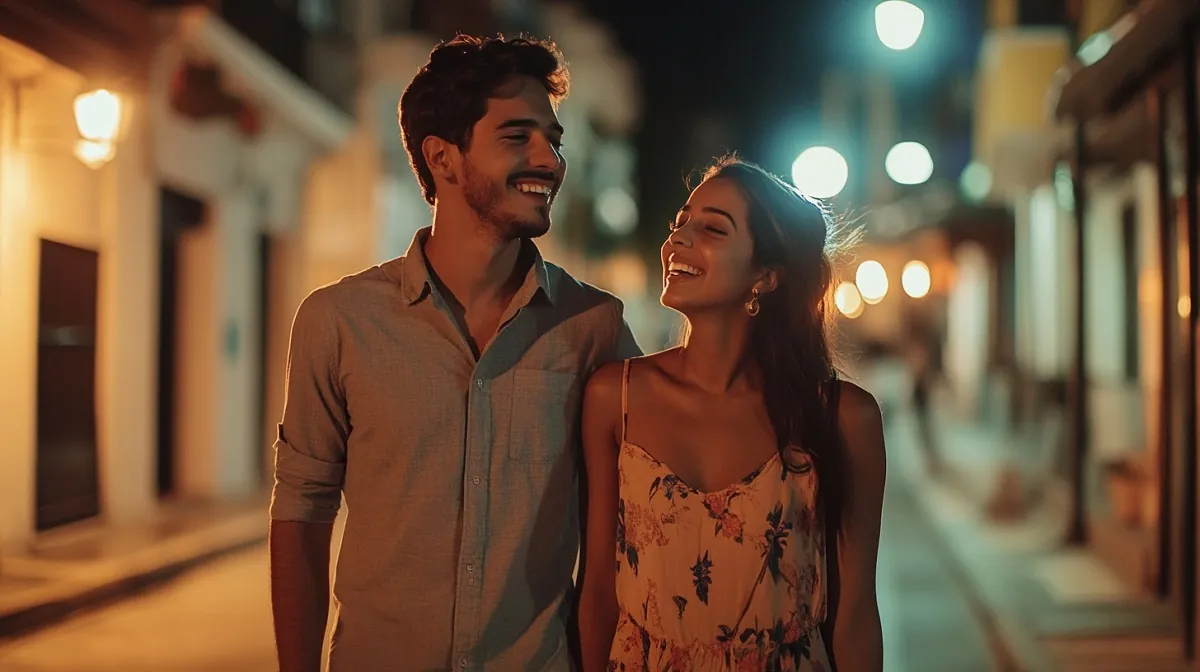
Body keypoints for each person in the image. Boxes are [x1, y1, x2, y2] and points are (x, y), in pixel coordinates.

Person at [269, 35, 641, 672]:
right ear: (442, 158)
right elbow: (303, 515)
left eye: (553, 140)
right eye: (517, 137)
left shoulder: (593, 326)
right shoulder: (338, 322)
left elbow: (657, 491)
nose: (548, 160)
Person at [575, 155, 886, 671]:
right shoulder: (616, 397)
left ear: (766, 276)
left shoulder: (842, 418)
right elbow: (598, 596)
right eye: (680, 224)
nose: (678, 239)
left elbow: (854, 618)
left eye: (712, 229)